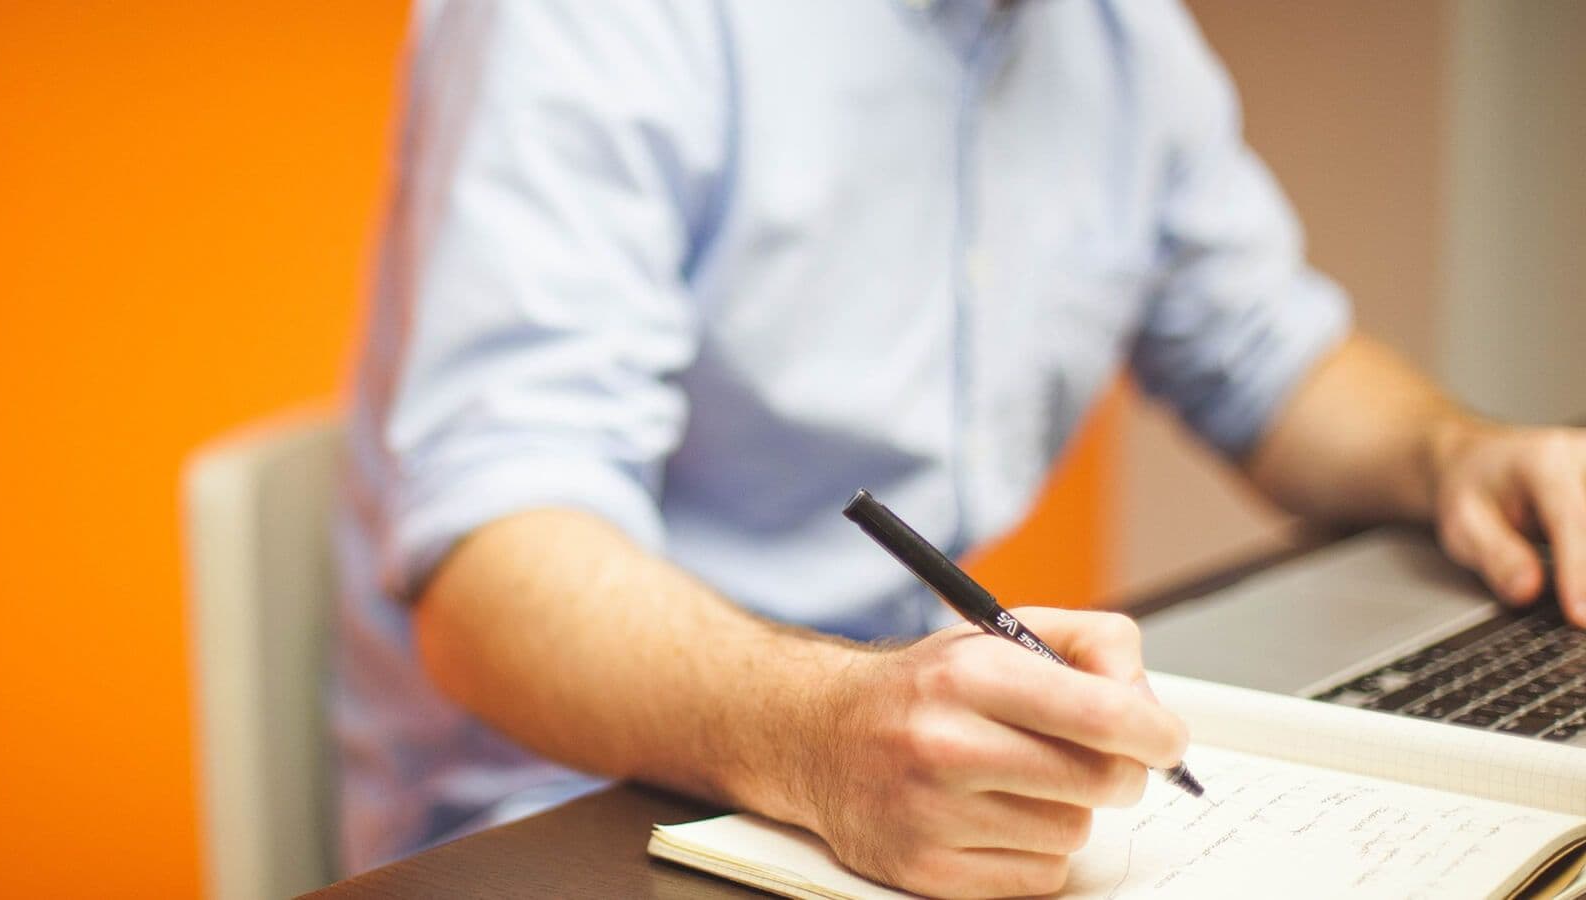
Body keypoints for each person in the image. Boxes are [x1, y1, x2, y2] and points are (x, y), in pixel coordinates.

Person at [331, 1, 1586, 895]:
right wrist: (823, 737)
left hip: (898, 773)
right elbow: (492, 570)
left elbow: (1264, 354)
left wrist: (1453, 456)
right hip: (575, 819)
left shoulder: (1118, 38)